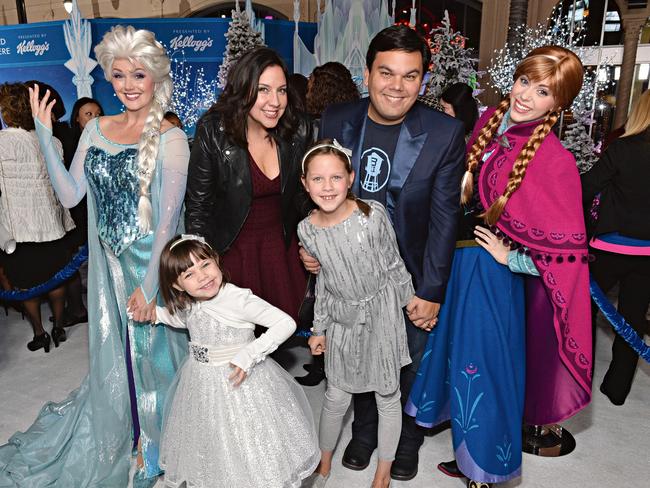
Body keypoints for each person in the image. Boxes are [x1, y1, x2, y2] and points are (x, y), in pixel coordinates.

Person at [0, 26, 190, 487]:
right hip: (108, 270)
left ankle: (157, 447)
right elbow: (69, 196)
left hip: (152, 269)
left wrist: (150, 291)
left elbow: (167, 225)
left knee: (155, 360)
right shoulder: (97, 130)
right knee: (118, 358)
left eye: (138, 75)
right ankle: (129, 433)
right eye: (119, 75)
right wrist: (45, 137)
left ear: (155, 79)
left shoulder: (171, 137)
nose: (127, 85)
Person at [406, 46, 592, 488]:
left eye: (543, 90)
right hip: (458, 268)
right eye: (525, 80)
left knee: (485, 367)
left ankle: (485, 472)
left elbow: (570, 254)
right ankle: (469, 454)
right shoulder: (490, 127)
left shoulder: (556, 160)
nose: (526, 95)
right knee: (456, 361)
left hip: (493, 279)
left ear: (557, 103)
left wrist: (515, 258)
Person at [307, 25, 466, 481]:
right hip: (347, 274)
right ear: (367, 72)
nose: (397, 86)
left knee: (406, 362)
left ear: (423, 80)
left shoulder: (443, 133)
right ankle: (364, 432)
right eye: (386, 73)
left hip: (410, 274)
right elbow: (318, 188)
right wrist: (311, 248)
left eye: (410, 76)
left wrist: (432, 288)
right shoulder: (336, 120)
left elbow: (443, 218)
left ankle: (408, 440)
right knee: (355, 353)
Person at [151, 234, 319, 488]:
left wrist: (250, 353)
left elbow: (285, 322)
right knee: (214, 439)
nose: (203, 276)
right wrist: (155, 314)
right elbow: (184, 320)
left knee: (248, 441)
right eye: (189, 274)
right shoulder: (189, 302)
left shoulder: (237, 298)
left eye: (205, 264)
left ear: (216, 261)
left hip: (238, 382)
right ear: (177, 286)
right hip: (201, 382)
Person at [299, 140, 414, 488]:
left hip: (382, 315)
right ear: (305, 184)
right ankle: (324, 460)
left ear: (350, 177)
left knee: (387, 395)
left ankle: (383, 472)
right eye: (317, 179)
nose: (328, 186)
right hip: (341, 319)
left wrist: (412, 302)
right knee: (336, 395)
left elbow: (394, 264)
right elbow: (324, 284)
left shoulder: (371, 215)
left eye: (336, 177)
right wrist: (318, 329)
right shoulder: (307, 230)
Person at [185, 47, 314, 325]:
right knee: (239, 345)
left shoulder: (298, 129)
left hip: (283, 254)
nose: (275, 101)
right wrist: (200, 268)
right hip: (234, 253)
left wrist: (312, 243)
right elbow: (198, 207)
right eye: (264, 90)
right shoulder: (214, 130)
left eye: (281, 90)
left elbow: (305, 198)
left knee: (279, 339)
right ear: (244, 90)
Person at [582, 89, 650, 406]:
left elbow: (588, 186)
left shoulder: (622, 148)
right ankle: (617, 390)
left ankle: (576, 379)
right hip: (647, 253)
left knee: (583, 313)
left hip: (610, 246)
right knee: (632, 319)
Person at [295, 61, 359, 387]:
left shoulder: (319, 126)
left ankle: (325, 364)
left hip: (326, 221)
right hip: (339, 218)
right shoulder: (355, 121)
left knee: (325, 295)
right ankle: (328, 363)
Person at [0, 82, 75, 352]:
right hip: (52, 224)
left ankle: (39, 332)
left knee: (25, 285)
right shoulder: (52, 141)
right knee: (57, 278)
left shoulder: (1, 142)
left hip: (19, 230)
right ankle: (58, 328)